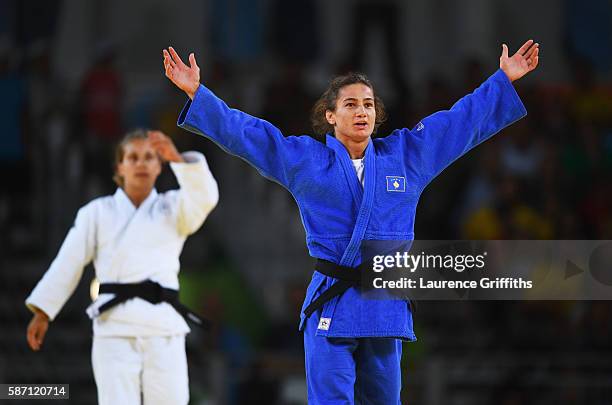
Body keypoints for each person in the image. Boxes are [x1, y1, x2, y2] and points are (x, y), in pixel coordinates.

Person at [162, 39, 539, 404]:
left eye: (369, 105)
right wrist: (200, 95)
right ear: (330, 115)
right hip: (333, 302)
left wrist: (501, 81)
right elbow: (252, 136)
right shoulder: (308, 162)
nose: (362, 111)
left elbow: (459, 124)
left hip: (383, 304)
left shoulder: (406, 157)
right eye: (351, 104)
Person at [25, 129, 219, 405]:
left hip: (163, 327)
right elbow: (68, 262)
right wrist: (43, 311)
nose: (141, 163)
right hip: (114, 327)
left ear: (159, 166)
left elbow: (206, 199)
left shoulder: (175, 207)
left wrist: (178, 159)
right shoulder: (96, 213)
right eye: (133, 157)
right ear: (119, 166)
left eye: (149, 157)